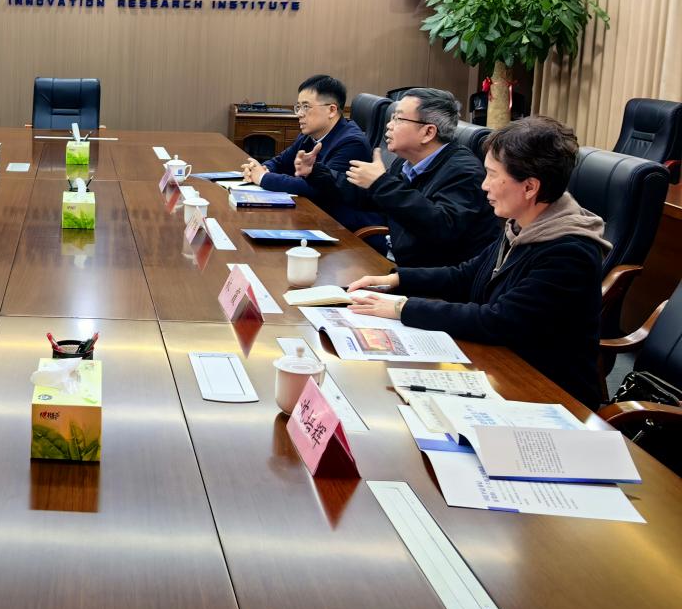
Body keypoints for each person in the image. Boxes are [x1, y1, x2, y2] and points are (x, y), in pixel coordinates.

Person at [347, 117, 609, 409]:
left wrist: (402, 308)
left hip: (548, 394)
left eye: (492, 175)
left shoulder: (569, 252)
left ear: (529, 187)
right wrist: (396, 280)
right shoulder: (522, 224)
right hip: (499, 365)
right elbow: (467, 274)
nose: (484, 185)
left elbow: (498, 320)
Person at [295, 87, 499, 267]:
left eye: (398, 119)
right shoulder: (406, 162)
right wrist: (317, 172)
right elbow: (369, 197)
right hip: (401, 265)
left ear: (428, 132)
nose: (389, 125)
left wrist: (381, 183)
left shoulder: (464, 172)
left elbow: (441, 226)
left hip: (436, 282)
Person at [239, 74, 381, 230]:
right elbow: (280, 161)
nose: (299, 113)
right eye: (298, 107)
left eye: (306, 107)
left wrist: (263, 177)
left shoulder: (352, 143)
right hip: (314, 217)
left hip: (342, 228)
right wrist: (261, 169)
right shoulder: (309, 135)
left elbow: (316, 189)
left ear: (331, 110)